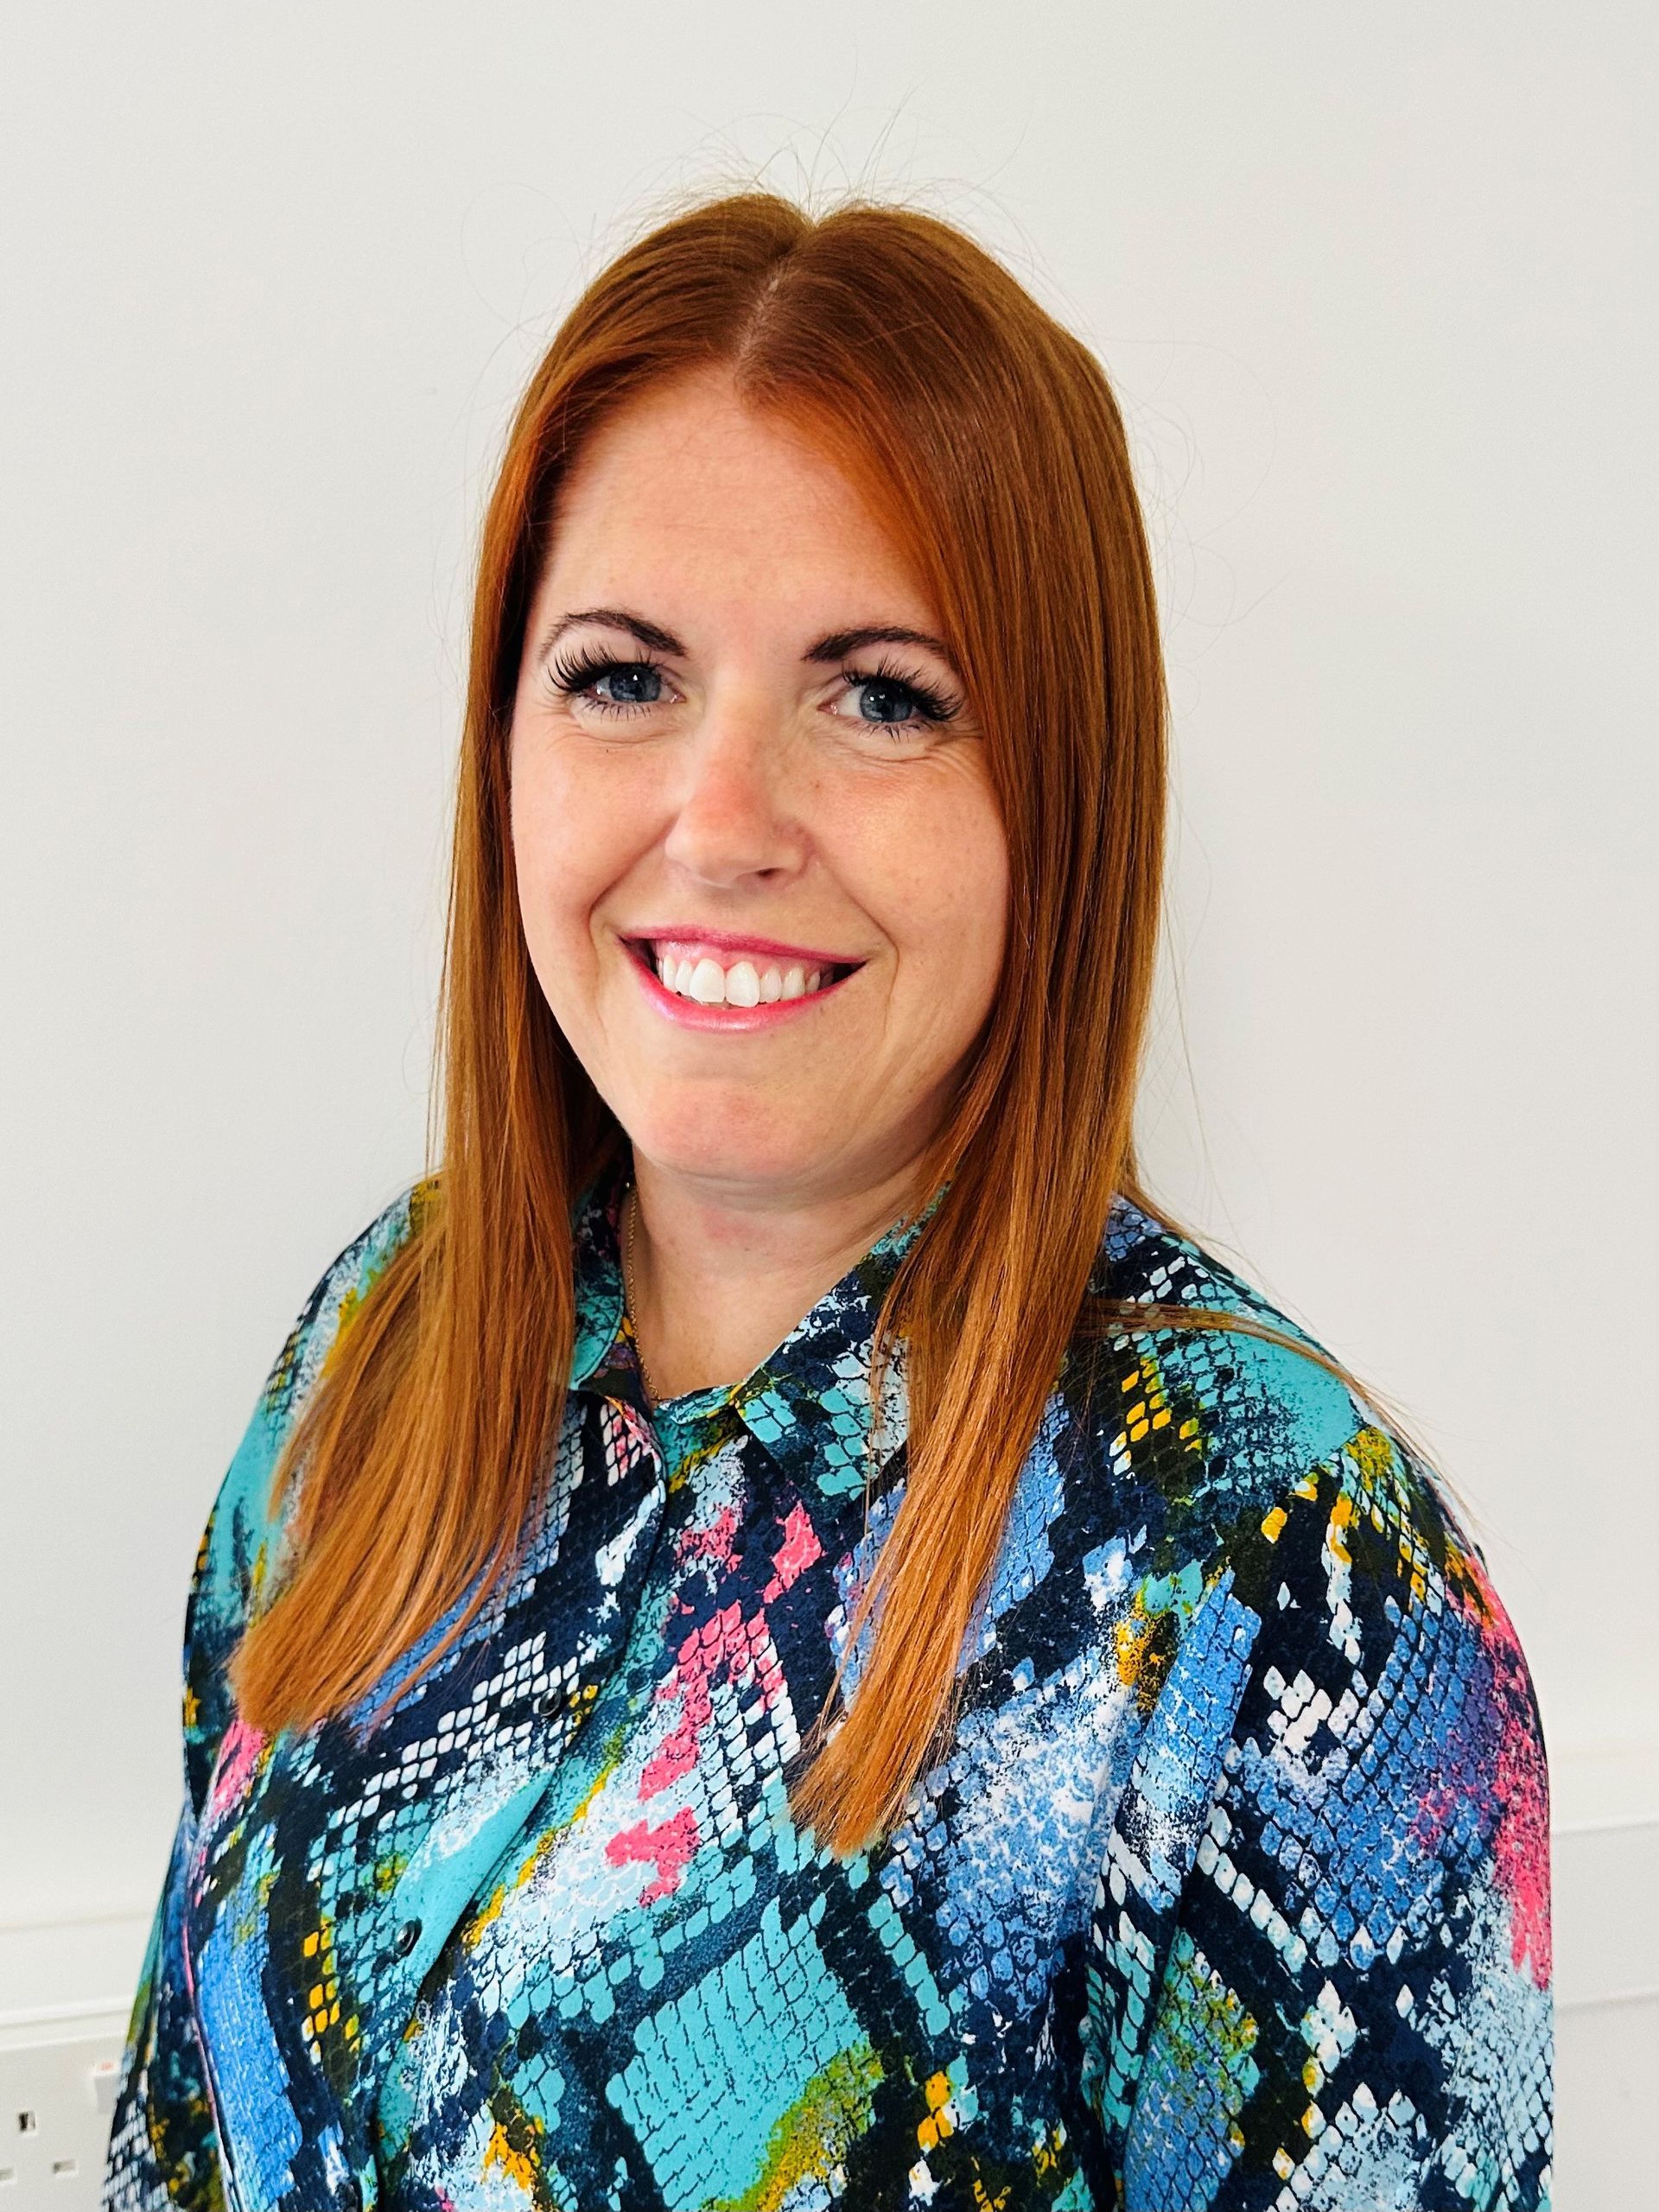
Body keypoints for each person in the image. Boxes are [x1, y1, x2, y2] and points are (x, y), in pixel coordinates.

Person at [104, 193, 1552, 2212]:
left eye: (879, 695)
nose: (719, 819)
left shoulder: (1284, 1574)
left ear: (1057, 787)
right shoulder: (387, 1334)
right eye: (622, 676)